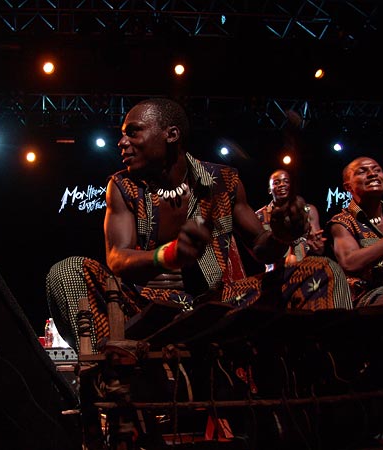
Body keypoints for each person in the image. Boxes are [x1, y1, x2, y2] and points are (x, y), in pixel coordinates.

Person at [46, 97, 352, 354]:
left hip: (219, 302)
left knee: (322, 269)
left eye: (134, 132)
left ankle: (333, 376)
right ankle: (111, 369)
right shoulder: (123, 186)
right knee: (66, 271)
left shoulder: (225, 181)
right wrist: (169, 255)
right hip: (144, 307)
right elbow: (116, 258)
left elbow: (261, 248)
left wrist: (283, 236)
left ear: (171, 135)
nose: (122, 142)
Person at [327, 156, 383, 307]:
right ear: (348, 186)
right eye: (362, 171)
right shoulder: (342, 223)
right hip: (367, 298)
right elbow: (350, 262)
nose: (372, 174)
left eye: (377, 170)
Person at [256, 169, 325, 271]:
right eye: (276, 182)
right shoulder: (260, 216)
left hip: (307, 275)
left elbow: (319, 249)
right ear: (269, 190)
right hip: (275, 278)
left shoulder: (308, 211)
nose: (282, 185)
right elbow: (259, 253)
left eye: (286, 181)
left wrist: (317, 245)